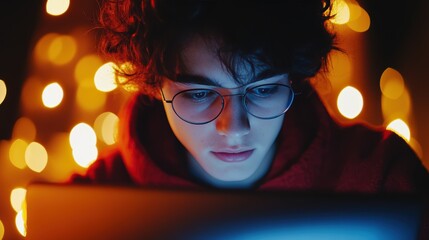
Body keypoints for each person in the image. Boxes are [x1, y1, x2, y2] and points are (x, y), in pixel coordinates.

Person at [70, 0, 429, 234]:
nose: (235, 128)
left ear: (293, 79)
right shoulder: (87, 208)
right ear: (153, 85)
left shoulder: (382, 178)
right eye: (199, 93)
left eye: (262, 90)